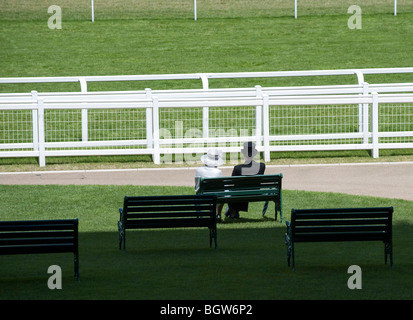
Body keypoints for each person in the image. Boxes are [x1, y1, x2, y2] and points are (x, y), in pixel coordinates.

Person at [225, 142, 265, 219]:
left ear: (244, 154)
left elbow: (232, 184)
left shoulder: (237, 168)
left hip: (240, 193)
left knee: (232, 190)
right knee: (240, 189)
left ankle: (233, 210)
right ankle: (233, 210)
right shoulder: (262, 166)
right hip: (256, 192)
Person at [195, 148, 225, 221]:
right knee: (224, 193)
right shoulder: (218, 172)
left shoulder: (199, 170)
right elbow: (221, 188)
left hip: (202, 195)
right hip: (215, 196)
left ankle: (201, 216)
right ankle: (218, 215)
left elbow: (196, 186)